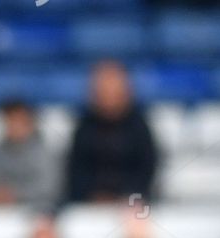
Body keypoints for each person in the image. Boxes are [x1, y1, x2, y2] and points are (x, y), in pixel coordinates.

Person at [64, 61, 159, 205]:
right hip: (91, 204)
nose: (108, 93)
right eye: (103, 88)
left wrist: (128, 196)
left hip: (132, 203)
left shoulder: (139, 126)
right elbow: (77, 171)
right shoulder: (84, 127)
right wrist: (94, 195)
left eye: (113, 87)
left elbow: (146, 170)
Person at [0, 100, 58, 211]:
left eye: (18, 121)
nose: (14, 126)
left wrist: (15, 195)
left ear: (30, 122)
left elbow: (48, 189)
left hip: (35, 212)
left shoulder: (44, 153)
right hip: (0, 212)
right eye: (9, 120)